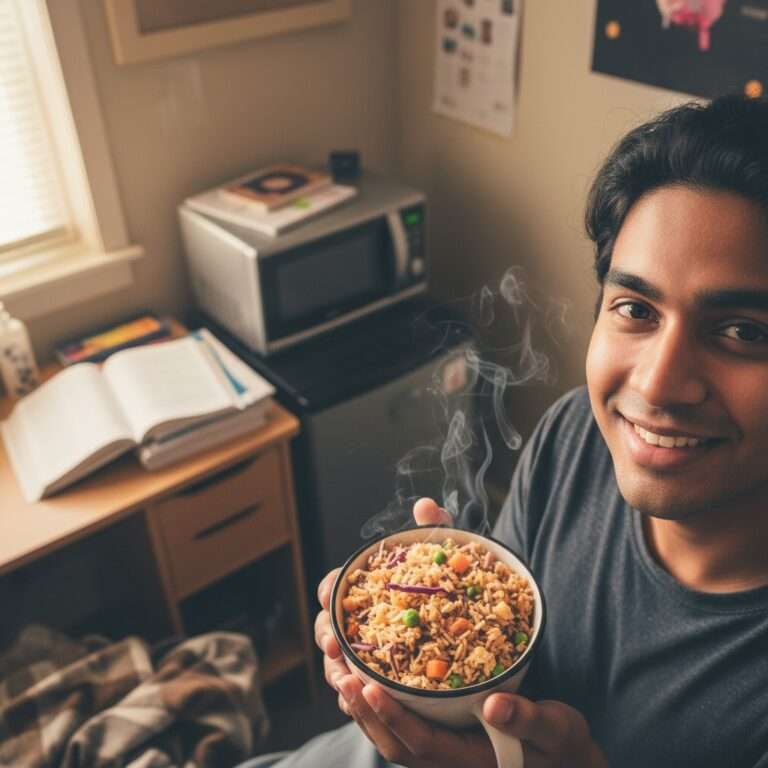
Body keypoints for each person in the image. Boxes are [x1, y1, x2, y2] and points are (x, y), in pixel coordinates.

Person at [239, 94, 768, 767]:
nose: (659, 384)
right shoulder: (576, 435)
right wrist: (431, 608)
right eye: (635, 308)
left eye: (744, 332)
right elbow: (502, 656)